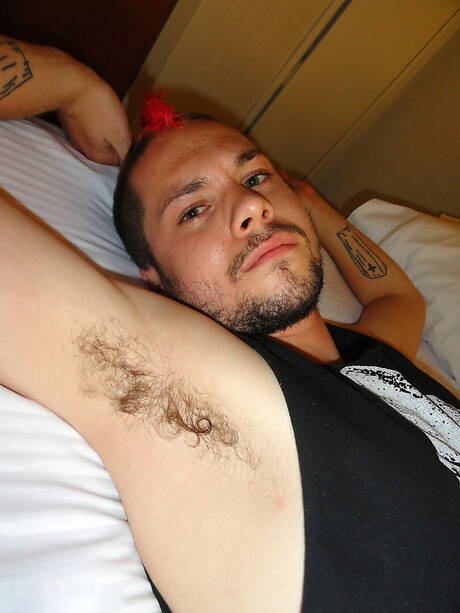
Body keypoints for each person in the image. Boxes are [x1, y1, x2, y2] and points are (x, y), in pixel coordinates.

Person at [1, 37, 459, 613]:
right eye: (193, 210)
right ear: (155, 280)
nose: (251, 207)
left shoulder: (370, 361)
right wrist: (74, 85)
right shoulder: (199, 393)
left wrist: (304, 199)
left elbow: (398, 296)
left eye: (255, 178)